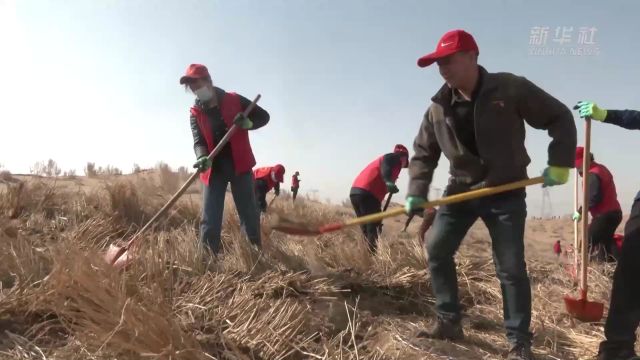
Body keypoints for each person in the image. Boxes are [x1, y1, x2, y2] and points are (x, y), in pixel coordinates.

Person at [405, 29, 577, 360]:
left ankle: (518, 341)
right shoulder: (438, 109)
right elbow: (423, 153)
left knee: (510, 266)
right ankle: (449, 320)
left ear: (472, 56)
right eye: (438, 63)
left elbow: (559, 116)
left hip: (505, 189)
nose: (442, 68)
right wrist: (416, 191)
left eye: (448, 60)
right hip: (462, 189)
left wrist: (559, 162)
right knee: (437, 248)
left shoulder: (509, 88)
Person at [573, 101, 640, 360]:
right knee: (632, 269)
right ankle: (617, 348)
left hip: (606, 214)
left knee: (594, 242)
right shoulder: (591, 171)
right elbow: (633, 117)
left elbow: (593, 194)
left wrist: (581, 208)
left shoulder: (596, 173)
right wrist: (605, 114)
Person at [181, 64, 268, 254]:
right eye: (192, 87)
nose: (196, 89)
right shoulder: (195, 113)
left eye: (198, 83)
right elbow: (198, 141)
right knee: (210, 218)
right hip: (214, 170)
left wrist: (248, 123)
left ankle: (253, 256)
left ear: (208, 81)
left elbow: (264, 116)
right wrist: (202, 156)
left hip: (240, 166)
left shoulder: (234, 99)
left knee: (249, 214)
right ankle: (207, 260)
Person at [350, 144, 409, 253]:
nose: (404, 166)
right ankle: (372, 259)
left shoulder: (391, 164)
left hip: (356, 192)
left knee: (366, 229)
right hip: (368, 193)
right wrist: (389, 181)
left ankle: (364, 256)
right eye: (406, 163)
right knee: (373, 228)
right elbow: (386, 166)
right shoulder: (393, 158)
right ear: (404, 157)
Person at [572, 147, 622, 261]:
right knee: (605, 242)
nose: (577, 168)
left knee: (587, 242)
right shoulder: (601, 168)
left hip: (605, 215)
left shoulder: (592, 174)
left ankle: (584, 267)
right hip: (615, 213)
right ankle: (613, 268)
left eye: (578, 165)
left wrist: (580, 212)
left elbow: (593, 197)